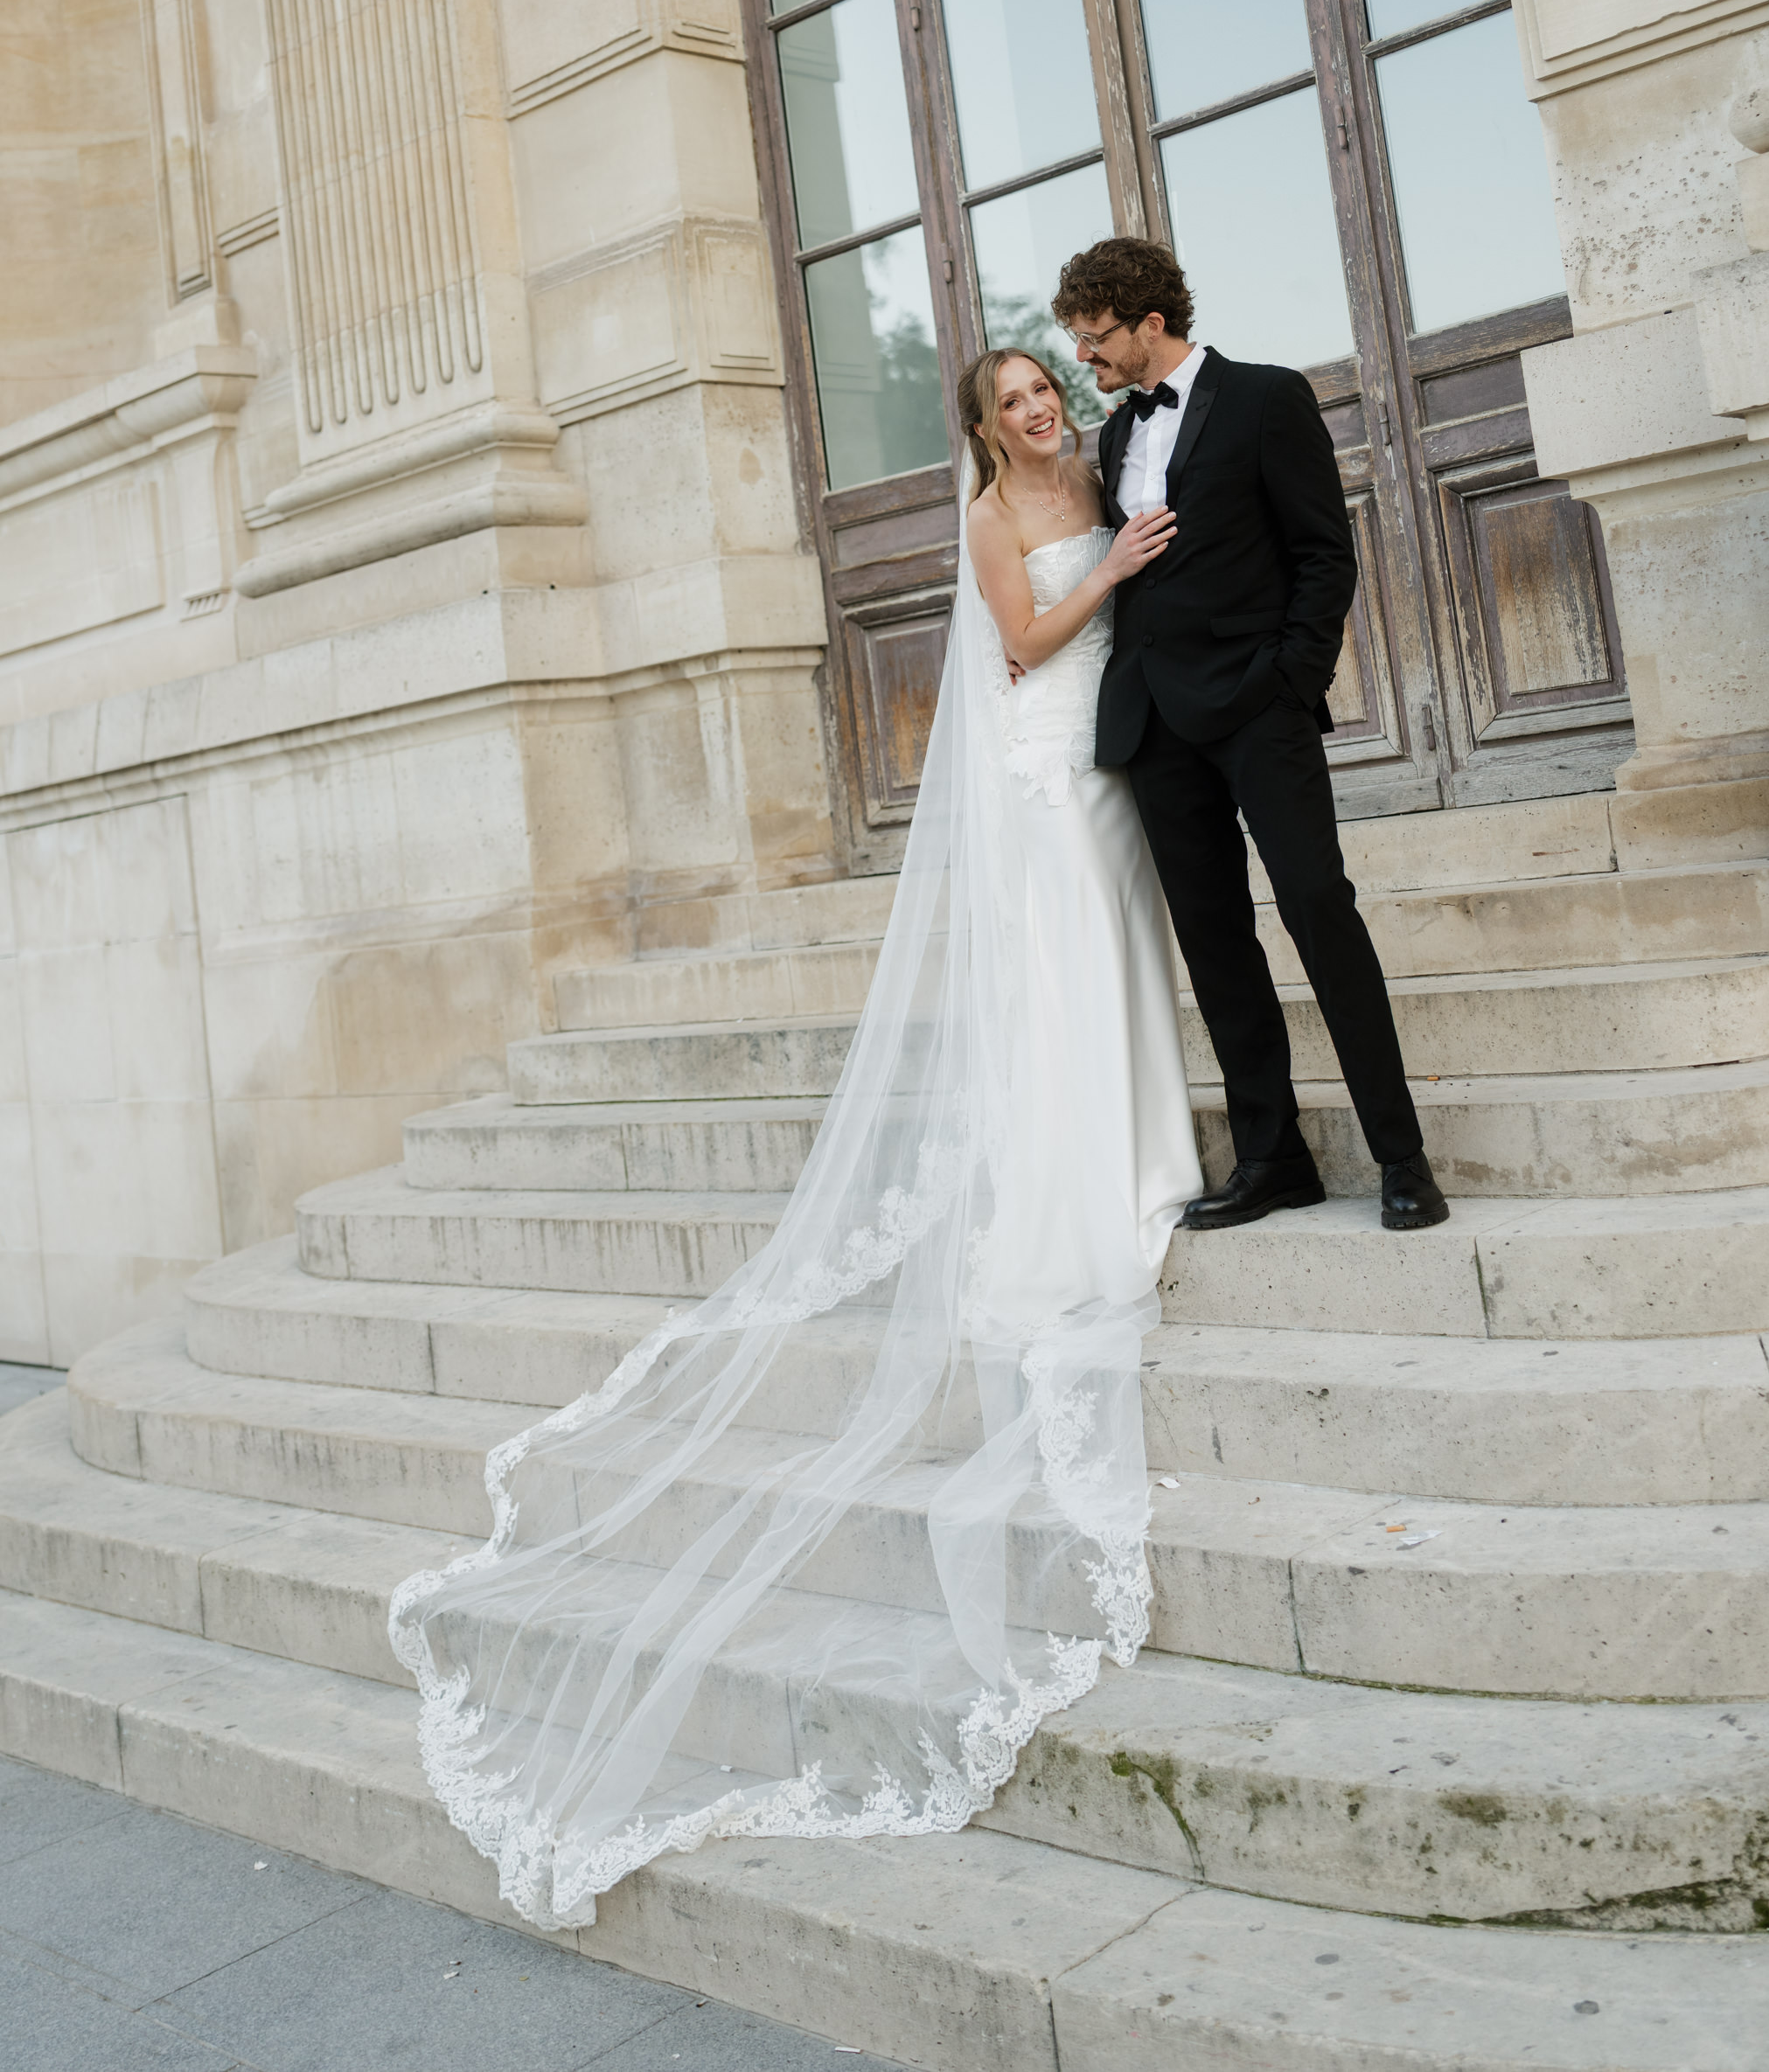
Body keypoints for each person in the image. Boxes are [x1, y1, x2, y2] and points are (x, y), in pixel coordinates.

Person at [387, 346, 1203, 1930]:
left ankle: (1147, 1145)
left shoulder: (1096, 466)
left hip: (1119, 750)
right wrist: (1102, 566)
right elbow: (1025, 646)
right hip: (1049, 760)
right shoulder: (999, 516)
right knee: (1069, 970)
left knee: (1125, 958)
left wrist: (1116, 538)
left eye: (1047, 391)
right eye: (1015, 401)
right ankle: (1080, 1185)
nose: (1037, 413)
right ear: (980, 425)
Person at [1053, 233, 1450, 1236]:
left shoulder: (1268, 398)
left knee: (1319, 908)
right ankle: (1272, 1156)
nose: (1083, 360)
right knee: (1215, 940)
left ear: (1152, 323)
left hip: (1256, 707)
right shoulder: (1111, 438)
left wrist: (1289, 680)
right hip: (1152, 721)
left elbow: (1324, 552)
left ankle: (1400, 1157)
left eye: (1095, 338)